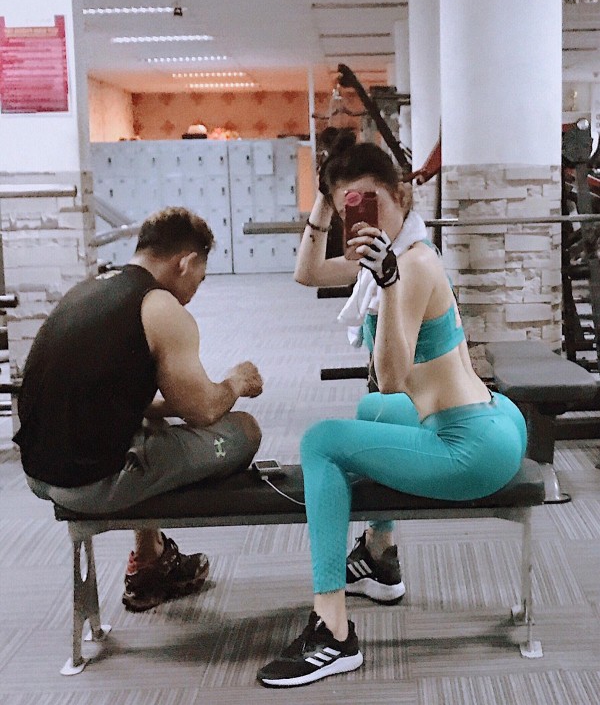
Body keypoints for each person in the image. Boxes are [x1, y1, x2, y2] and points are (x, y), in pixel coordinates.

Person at [257, 132, 527, 687]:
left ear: (400, 195)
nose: (362, 215)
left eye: (370, 201)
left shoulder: (409, 266)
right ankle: (380, 558)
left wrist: (387, 284)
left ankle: (332, 632)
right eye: (349, 206)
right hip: (495, 420)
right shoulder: (398, 254)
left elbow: (393, 377)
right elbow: (308, 273)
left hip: (471, 447)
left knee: (321, 442)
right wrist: (324, 203)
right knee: (371, 410)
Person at [14, 206, 263, 612]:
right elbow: (202, 411)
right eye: (200, 278)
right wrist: (237, 382)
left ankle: (151, 560)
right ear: (186, 262)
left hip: (38, 472)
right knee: (244, 429)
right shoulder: (161, 307)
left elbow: (116, 397)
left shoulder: (89, 289)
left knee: (148, 430)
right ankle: (152, 557)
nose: (196, 289)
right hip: (91, 484)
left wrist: (172, 409)